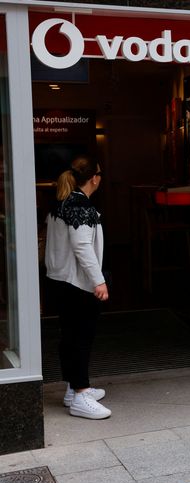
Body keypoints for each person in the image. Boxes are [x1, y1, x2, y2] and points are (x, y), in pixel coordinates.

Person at [45, 156, 111, 420]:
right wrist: (99, 280)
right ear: (94, 178)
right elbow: (82, 246)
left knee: (69, 336)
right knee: (81, 338)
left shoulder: (61, 202)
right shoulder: (81, 206)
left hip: (59, 280)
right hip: (77, 283)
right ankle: (81, 394)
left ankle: (74, 389)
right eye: (100, 174)